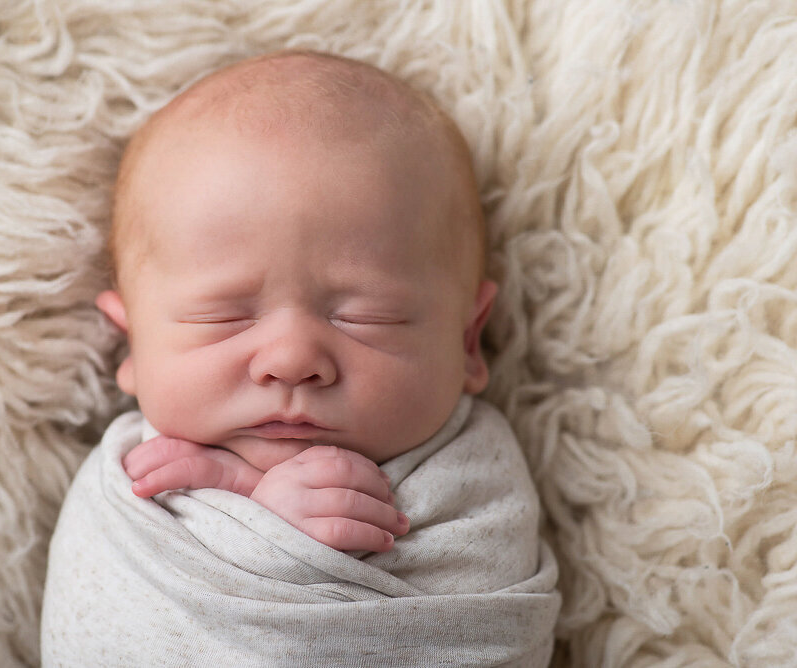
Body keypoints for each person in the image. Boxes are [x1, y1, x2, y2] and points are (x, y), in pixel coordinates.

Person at [42, 50, 560, 666]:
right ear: (131, 344)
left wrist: (266, 519)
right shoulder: (129, 488)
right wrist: (257, 505)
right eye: (224, 316)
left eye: (365, 316)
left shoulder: (473, 480)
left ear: (468, 341)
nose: (291, 360)